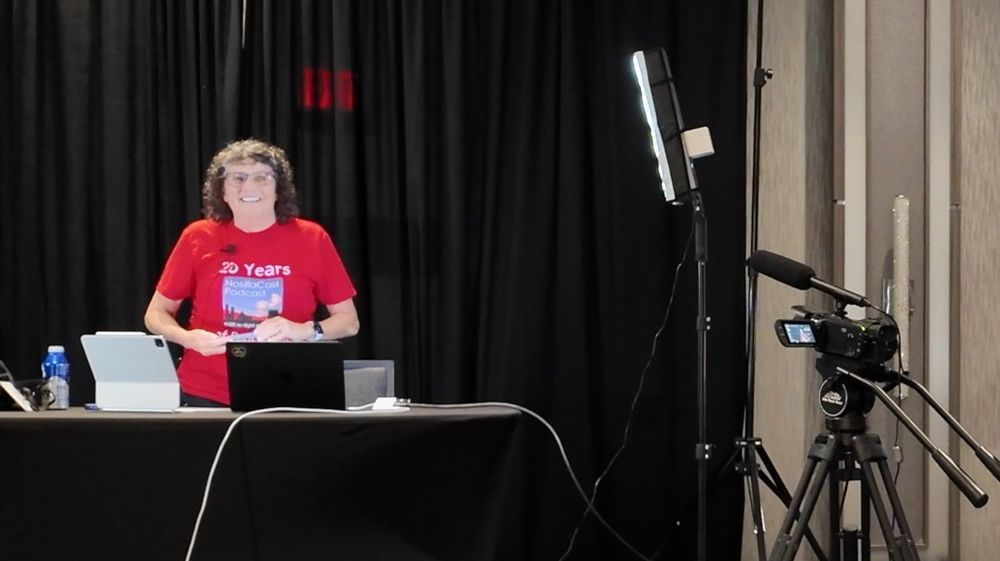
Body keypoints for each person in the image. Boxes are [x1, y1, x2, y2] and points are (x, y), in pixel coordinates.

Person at [145, 139, 359, 407]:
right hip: (205, 392)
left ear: (278, 188)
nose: (249, 187)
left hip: (289, 388)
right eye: (238, 178)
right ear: (222, 191)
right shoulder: (197, 236)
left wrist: (304, 330)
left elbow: (349, 322)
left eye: (262, 178)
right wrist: (188, 338)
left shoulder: (311, 238)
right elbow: (155, 314)